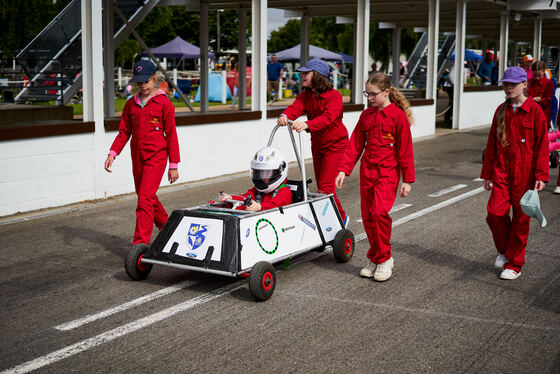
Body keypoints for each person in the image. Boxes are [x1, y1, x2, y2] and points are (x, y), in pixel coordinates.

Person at [335, 72, 415, 282]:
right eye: (366, 94)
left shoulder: (398, 117)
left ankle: (385, 258)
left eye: (373, 94)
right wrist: (344, 169)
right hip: (367, 173)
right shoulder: (366, 115)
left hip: (387, 173)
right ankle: (376, 258)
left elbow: (405, 150)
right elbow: (355, 145)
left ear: (386, 92)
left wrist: (407, 180)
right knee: (369, 218)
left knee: (379, 213)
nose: (369, 98)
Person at [480, 66, 548, 280]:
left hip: (525, 174)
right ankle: (504, 250)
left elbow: (542, 146)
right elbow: (492, 143)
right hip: (501, 170)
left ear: (524, 85)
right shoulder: (501, 110)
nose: (508, 88)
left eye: (512, 84)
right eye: (505, 84)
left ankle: (514, 264)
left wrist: (541, 176)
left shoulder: (535, 111)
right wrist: (487, 173)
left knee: (521, 220)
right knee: (494, 213)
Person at [104, 60, 180, 247]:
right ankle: (170, 230)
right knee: (146, 196)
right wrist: (113, 153)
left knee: (144, 199)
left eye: (146, 81)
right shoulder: (131, 105)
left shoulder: (164, 104)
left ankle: (139, 244)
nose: (143, 86)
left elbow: (171, 135)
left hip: (156, 157)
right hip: (137, 157)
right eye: (139, 82)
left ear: (154, 79)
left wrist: (173, 166)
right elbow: (124, 132)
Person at [277, 58, 349, 226]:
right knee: (322, 188)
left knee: (325, 188)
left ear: (317, 76)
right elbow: (296, 107)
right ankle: (331, 219)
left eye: (306, 73)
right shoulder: (306, 95)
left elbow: (328, 118)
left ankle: (341, 219)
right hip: (318, 145)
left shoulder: (335, 97)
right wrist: (285, 116)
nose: (302, 75)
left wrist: (307, 124)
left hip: (336, 146)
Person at [216, 146, 292, 211]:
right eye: (260, 173)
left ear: (279, 171)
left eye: (267, 173)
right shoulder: (257, 191)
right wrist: (231, 198)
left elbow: (276, 205)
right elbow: (245, 198)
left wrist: (260, 207)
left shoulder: (285, 191)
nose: (263, 177)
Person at [528, 60, 554, 126]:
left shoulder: (549, 83)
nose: (537, 78)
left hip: (543, 115)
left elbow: (548, 101)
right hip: (530, 115)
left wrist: (539, 100)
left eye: (539, 76)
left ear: (544, 72)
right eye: (534, 76)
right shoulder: (529, 82)